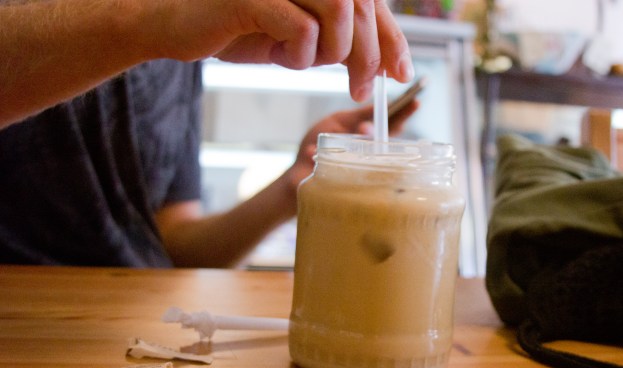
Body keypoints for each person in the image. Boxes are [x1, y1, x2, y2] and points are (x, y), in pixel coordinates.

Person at [0, 0, 418, 268]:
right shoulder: (164, 15)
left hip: (126, 330)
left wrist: (293, 188)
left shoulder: (180, 34)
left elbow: (173, 243)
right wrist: (150, 20)